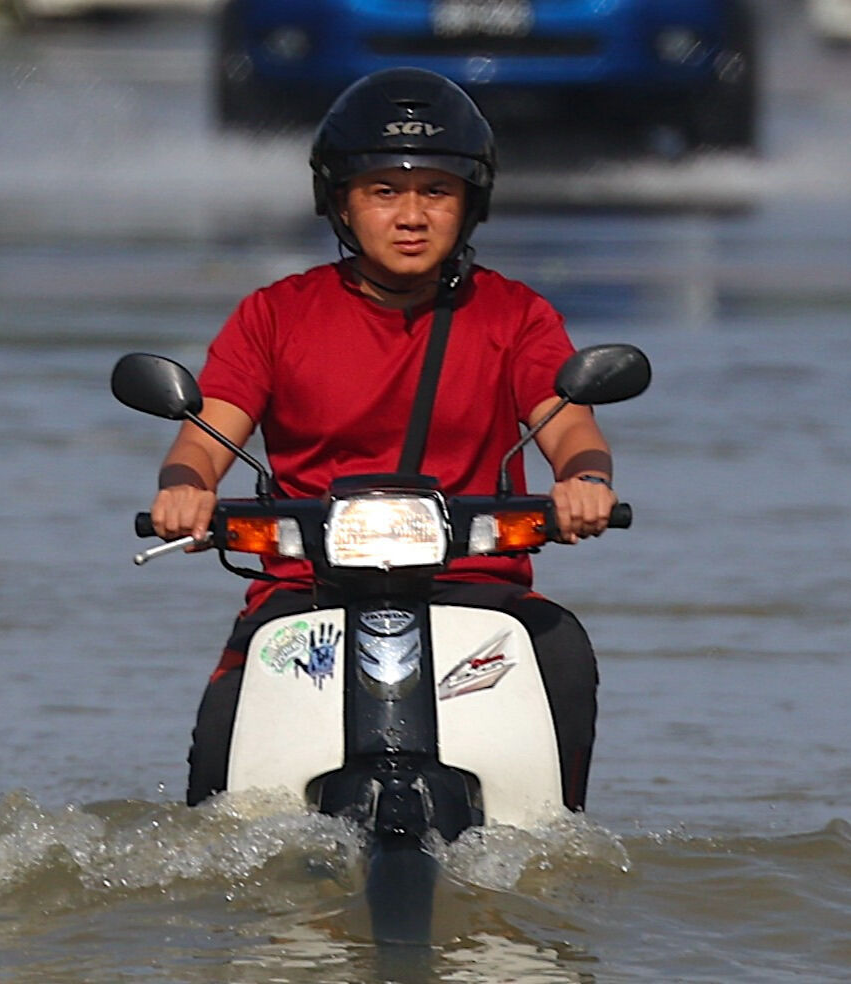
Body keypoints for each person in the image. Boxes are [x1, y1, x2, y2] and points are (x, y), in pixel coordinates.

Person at [150, 69, 621, 812]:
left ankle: (548, 855)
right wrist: (185, 488)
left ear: (471, 205)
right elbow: (206, 434)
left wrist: (585, 480)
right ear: (340, 202)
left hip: (473, 589)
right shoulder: (276, 315)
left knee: (559, 649)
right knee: (221, 745)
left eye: (435, 191)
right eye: (383, 191)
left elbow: (567, 422)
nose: (410, 216)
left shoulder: (514, 314)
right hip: (306, 593)